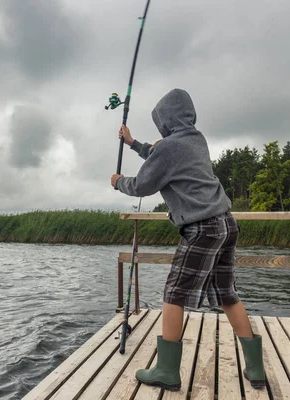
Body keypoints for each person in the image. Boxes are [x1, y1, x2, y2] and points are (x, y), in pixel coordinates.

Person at [110, 89, 265, 391]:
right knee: (226, 294)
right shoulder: (197, 140)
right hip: (226, 224)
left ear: (165, 120)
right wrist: (132, 144)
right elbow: (161, 154)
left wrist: (119, 183)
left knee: (173, 292)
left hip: (203, 228)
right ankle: (256, 368)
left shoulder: (169, 148)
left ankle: (167, 371)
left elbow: (144, 183)